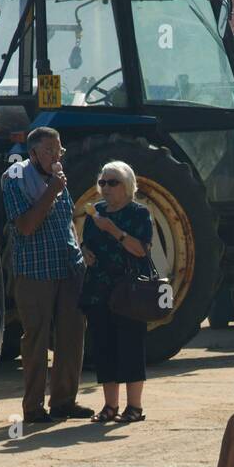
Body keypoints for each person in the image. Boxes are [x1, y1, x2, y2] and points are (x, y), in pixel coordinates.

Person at [2, 126, 90, 424]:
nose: (56, 156)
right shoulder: (15, 179)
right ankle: (33, 408)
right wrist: (52, 190)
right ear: (33, 153)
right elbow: (26, 226)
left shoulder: (59, 177)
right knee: (36, 339)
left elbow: (67, 221)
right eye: (49, 150)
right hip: (35, 271)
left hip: (69, 266)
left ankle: (64, 402)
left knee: (72, 336)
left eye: (59, 150)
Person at [80, 161, 153, 424]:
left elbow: (141, 250)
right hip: (99, 290)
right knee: (103, 348)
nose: (106, 188)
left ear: (127, 185)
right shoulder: (95, 212)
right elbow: (86, 242)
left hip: (130, 290)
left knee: (131, 346)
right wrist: (84, 252)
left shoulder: (139, 213)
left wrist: (113, 230)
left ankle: (134, 407)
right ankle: (110, 406)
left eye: (113, 182)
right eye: (103, 182)